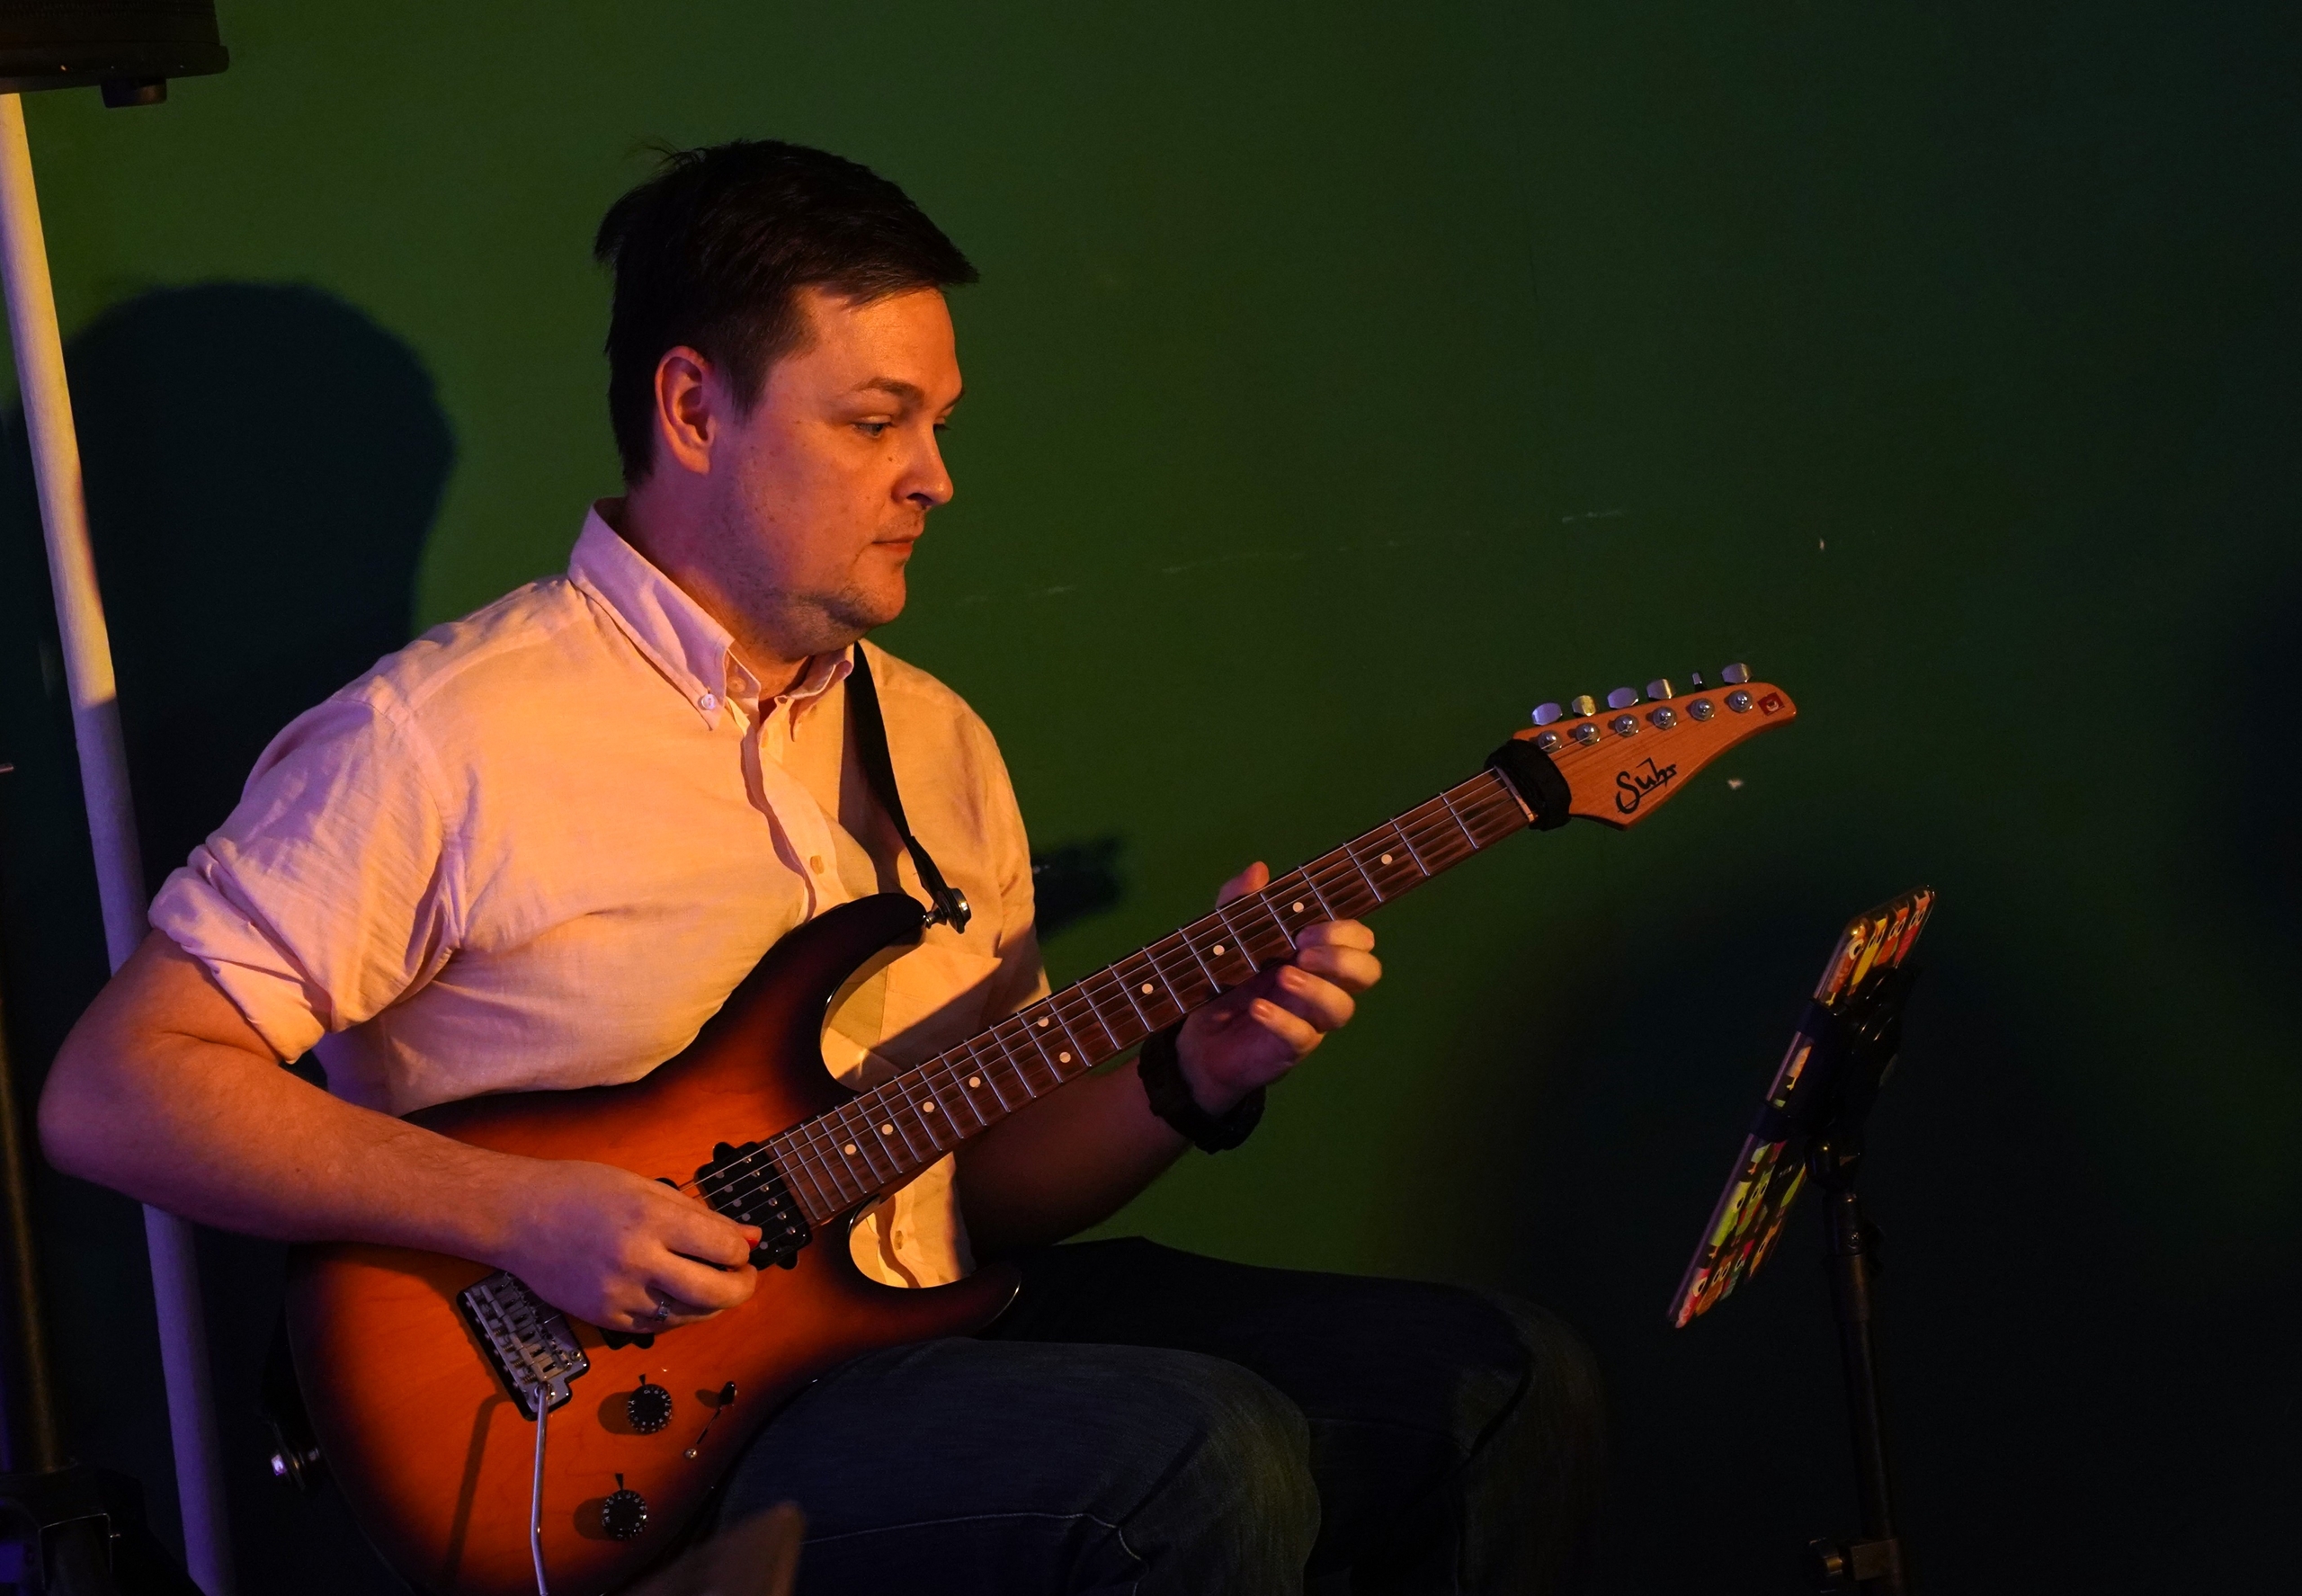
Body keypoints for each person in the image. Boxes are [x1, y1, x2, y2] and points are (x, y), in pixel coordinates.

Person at [39, 141, 1602, 1593]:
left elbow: (986, 1184)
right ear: (694, 410)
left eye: (939, 424)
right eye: (874, 422)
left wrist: (1190, 1076)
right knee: (1192, 1450)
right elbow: (116, 1090)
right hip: (653, 1434)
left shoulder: (934, 739)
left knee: (1497, 1379)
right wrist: (519, 1214)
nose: (934, 477)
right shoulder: (439, 738)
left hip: (940, 1326)